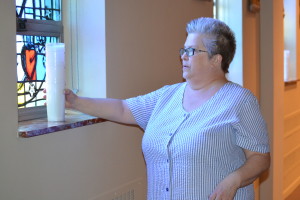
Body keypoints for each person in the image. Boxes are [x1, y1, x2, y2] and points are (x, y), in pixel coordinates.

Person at [61, 17, 270, 200]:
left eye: (191, 51)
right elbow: (123, 108)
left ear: (215, 59)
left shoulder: (240, 101)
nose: (183, 56)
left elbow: (260, 158)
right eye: (183, 50)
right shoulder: (167, 96)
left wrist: (234, 180)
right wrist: (76, 102)